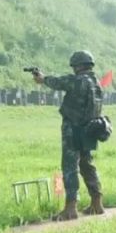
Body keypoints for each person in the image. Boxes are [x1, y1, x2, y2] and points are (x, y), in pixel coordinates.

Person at [34, 50, 105, 219]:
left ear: (77, 66)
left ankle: (71, 208)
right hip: (89, 129)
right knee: (87, 165)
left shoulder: (78, 81)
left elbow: (58, 82)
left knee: (70, 167)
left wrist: (42, 78)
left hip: (73, 129)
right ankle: (97, 202)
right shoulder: (96, 83)